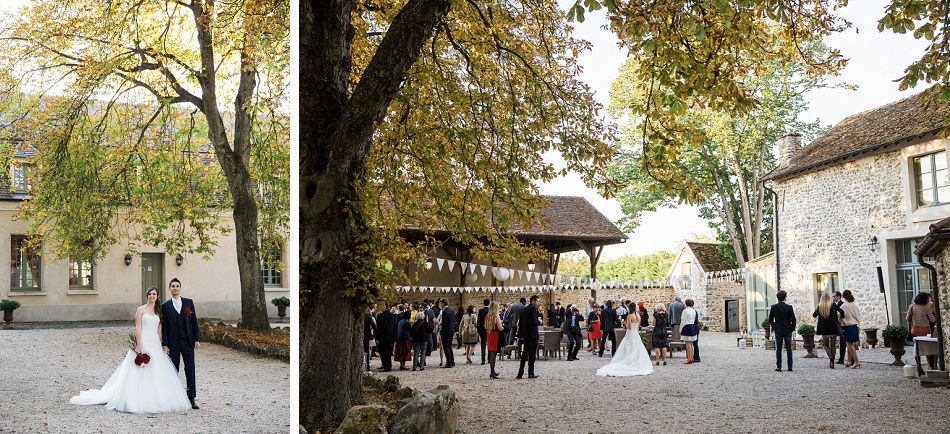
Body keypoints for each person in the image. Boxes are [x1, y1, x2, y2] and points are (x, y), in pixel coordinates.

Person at [70, 287, 192, 413]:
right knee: (139, 370)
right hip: (144, 341)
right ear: (147, 296)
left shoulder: (159, 310)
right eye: (150, 294)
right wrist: (139, 344)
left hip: (155, 343)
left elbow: (159, 329)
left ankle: (156, 398)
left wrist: (162, 345)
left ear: (157, 296)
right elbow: (138, 328)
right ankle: (135, 398)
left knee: (157, 370)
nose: (152, 296)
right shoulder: (140, 310)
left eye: (154, 294)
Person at [596, 298, 653, 377]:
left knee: (628, 347)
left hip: (629, 334)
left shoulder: (629, 316)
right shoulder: (638, 316)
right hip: (635, 334)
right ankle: (635, 361)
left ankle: (627, 361)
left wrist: (624, 322)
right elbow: (637, 327)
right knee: (636, 348)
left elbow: (629, 327)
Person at [813, 292, 844, 369]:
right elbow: (842, 312)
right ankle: (832, 360)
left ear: (822, 299)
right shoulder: (833, 305)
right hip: (833, 328)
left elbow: (814, 315)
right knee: (833, 345)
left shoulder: (819, 306)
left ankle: (831, 359)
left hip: (824, 329)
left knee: (826, 345)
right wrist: (840, 320)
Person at [907, 292, 937, 369]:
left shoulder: (911, 306)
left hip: (915, 330)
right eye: (927, 299)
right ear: (924, 299)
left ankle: (919, 366)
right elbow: (932, 320)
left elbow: (907, 318)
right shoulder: (926, 308)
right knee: (929, 347)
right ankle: (932, 365)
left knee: (917, 347)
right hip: (925, 331)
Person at [769, 290, 796, 372]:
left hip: (778, 330)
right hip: (787, 330)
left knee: (778, 349)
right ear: (785, 297)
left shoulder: (773, 307)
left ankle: (779, 367)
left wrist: (774, 326)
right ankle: (790, 366)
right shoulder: (789, 307)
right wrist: (792, 328)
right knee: (789, 349)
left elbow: (770, 319)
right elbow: (793, 320)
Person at [516, 295, 542, 379]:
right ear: (533, 301)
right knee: (532, 355)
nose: (538, 303)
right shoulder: (533, 309)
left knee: (524, 354)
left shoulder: (524, 309)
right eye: (537, 301)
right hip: (533, 335)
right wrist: (539, 320)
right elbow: (534, 322)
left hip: (526, 335)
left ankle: (520, 373)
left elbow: (521, 323)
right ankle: (531, 373)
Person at [840, 290, 861, 369]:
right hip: (854, 325)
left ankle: (856, 362)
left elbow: (840, 316)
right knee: (849, 344)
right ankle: (849, 361)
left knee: (850, 344)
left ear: (843, 296)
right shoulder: (854, 305)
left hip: (847, 326)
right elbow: (858, 316)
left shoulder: (843, 306)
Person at [376, 303, 398, 372]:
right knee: (389, 352)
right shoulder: (393, 316)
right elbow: (395, 327)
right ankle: (389, 366)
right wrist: (394, 337)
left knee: (383, 352)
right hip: (390, 337)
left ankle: (385, 366)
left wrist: (377, 337)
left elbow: (379, 328)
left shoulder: (380, 316)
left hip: (382, 337)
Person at [485, 301, 504, 379]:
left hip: (490, 334)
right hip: (495, 335)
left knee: (491, 352)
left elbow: (485, 326)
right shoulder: (496, 316)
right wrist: (503, 326)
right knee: (494, 354)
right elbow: (500, 328)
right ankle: (492, 372)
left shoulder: (487, 316)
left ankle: (492, 371)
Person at [680, 299, 699, 364]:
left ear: (686, 303)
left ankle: (689, 359)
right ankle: (692, 358)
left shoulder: (685, 311)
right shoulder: (694, 310)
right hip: (692, 326)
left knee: (688, 343)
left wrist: (680, 329)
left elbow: (683, 321)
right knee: (691, 344)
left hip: (686, 326)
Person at [440, 299, 457, 368]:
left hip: (446, 332)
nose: (440, 305)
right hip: (451, 331)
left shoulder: (445, 311)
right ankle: (452, 361)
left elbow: (444, 323)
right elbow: (454, 321)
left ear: (444, 303)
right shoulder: (452, 310)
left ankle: (449, 363)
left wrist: (442, 332)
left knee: (446, 347)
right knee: (449, 347)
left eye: (441, 303)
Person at [833, 291, 846, 364]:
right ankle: (841, 358)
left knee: (843, 342)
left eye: (834, 296)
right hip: (839, 325)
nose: (833, 298)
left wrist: (840, 321)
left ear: (838, 296)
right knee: (842, 343)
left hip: (841, 325)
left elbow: (842, 313)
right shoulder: (836, 304)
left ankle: (842, 359)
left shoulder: (841, 304)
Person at [363, 305, 377, 371]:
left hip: (361, 334)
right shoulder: (368, 316)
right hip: (367, 335)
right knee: (367, 351)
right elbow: (374, 326)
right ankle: (367, 366)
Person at [477, 299, 490, 365]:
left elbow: (478, 322)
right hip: (490, 330)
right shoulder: (490, 311)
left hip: (482, 330)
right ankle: (489, 359)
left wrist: (478, 330)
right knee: (489, 345)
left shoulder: (481, 311)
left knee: (483, 345)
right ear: (489, 303)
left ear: (483, 304)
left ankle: (483, 360)